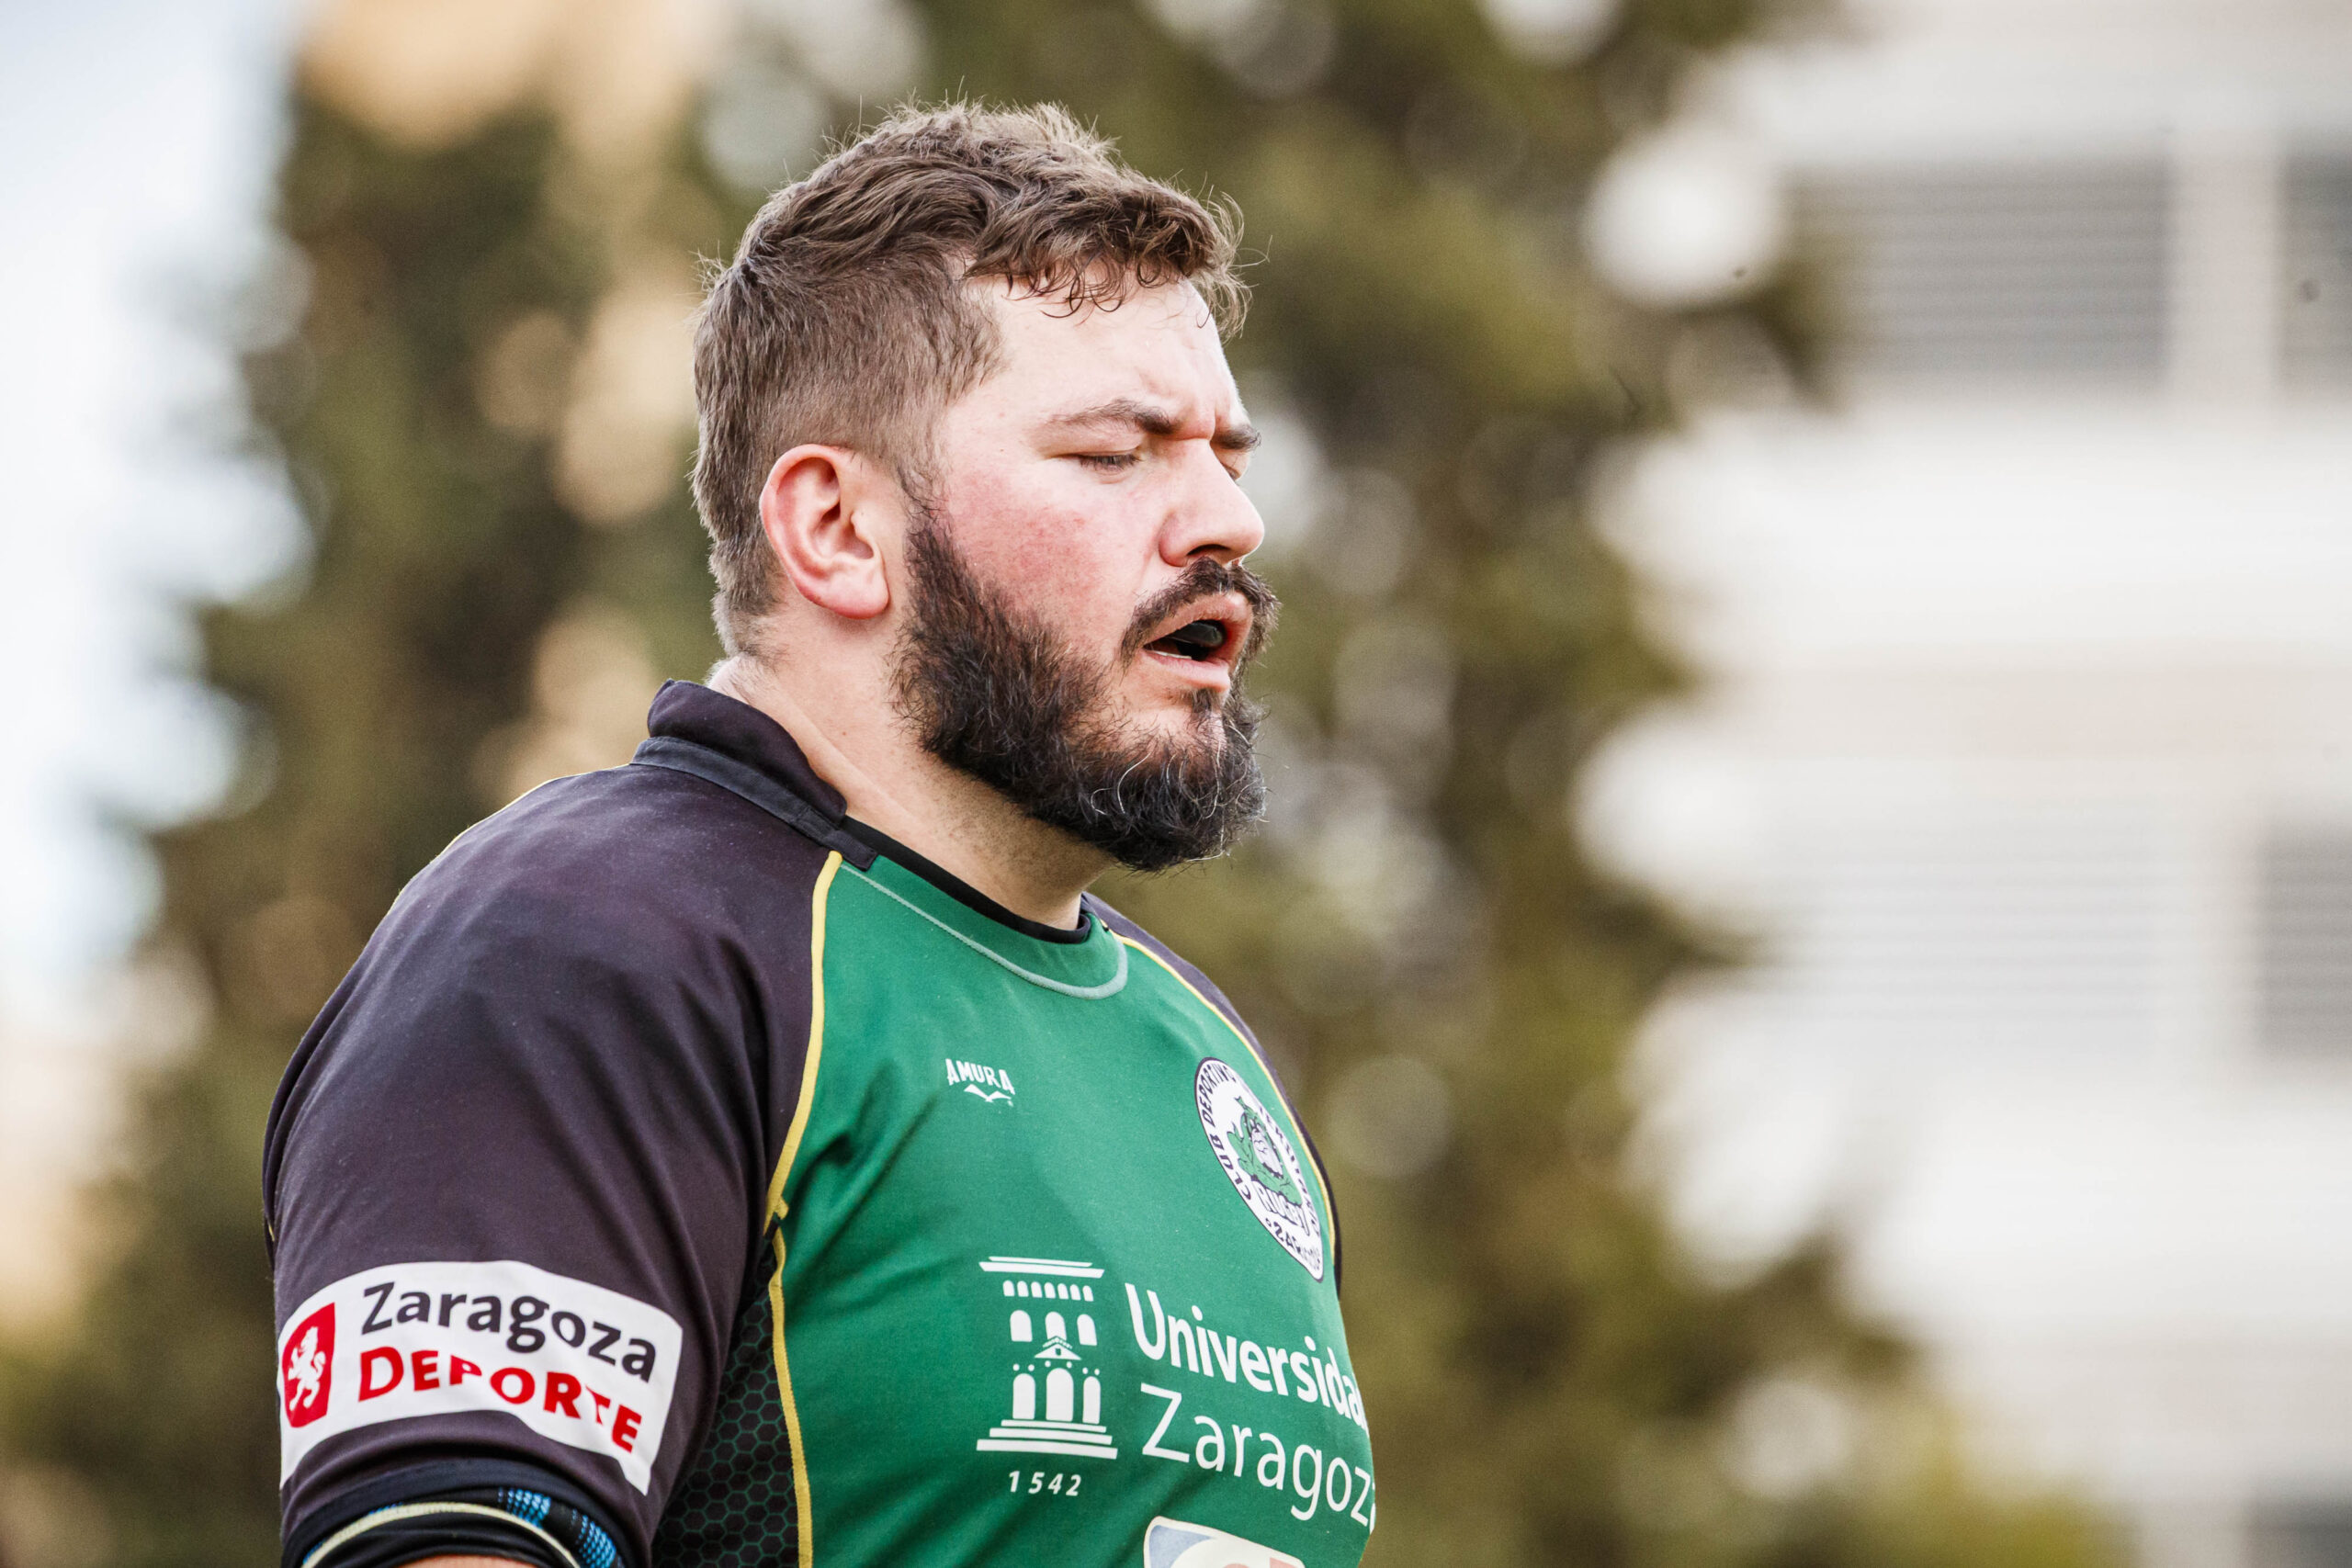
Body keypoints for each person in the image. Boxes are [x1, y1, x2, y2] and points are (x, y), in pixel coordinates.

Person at [265, 102, 1374, 1568]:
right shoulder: (591, 948)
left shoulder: (1211, 1063)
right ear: (839, 531)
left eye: (1228, 453)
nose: (1225, 517)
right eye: (1121, 452)